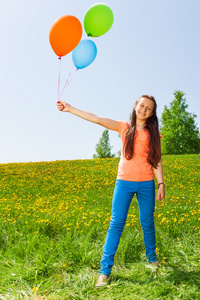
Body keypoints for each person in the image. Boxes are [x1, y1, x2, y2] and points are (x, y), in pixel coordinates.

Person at [56, 95, 165, 287]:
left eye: (149, 108)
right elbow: (97, 119)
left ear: (152, 113)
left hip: (146, 183)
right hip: (124, 182)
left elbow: (156, 160)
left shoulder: (153, 134)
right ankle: (104, 272)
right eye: (142, 105)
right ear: (135, 106)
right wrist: (70, 108)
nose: (144, 110)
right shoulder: (124, 127)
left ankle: (152, 260)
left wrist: (161, 183)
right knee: (116, 224)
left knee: (147, 222)